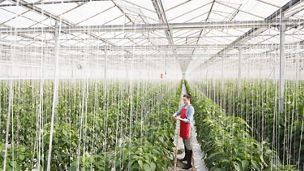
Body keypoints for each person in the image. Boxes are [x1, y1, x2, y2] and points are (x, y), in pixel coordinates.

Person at [172, 93, 194, 169]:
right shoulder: (184, 106)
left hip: (187, 128)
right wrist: (174, 114)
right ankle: (185, 157)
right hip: (183, 127)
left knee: (188, 145)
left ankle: (189, 163)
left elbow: (188, 120)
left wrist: (179, 119)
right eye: (183, 100)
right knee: (184, 142)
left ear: (189, 99)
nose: (183, 101)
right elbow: (178, 112)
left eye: (185, 100)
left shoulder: (191, 108)